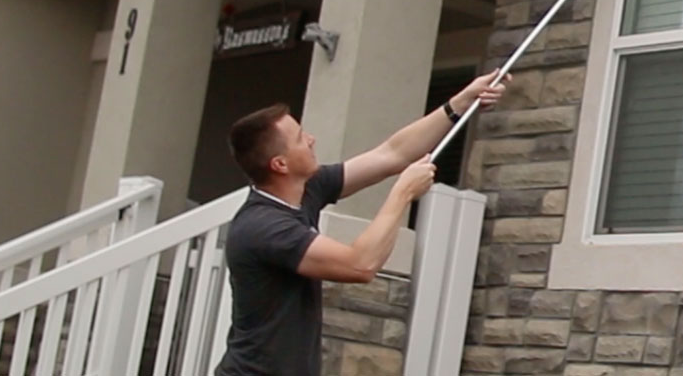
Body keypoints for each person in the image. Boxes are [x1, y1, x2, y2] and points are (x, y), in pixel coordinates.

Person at [213, 70, 509, 376]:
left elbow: (391, 154)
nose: (311, 139)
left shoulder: (306, 189)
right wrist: (403, 192)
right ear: (280, 164)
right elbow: (360, 264)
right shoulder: (264, 227)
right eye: (301, 138)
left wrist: (459, 103)